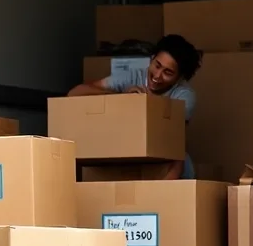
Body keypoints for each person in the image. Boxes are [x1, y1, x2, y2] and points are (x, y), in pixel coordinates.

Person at [67, 33, 201, 180]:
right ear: (152, 59)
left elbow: (177, 144)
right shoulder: (131, 77)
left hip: (165, 160)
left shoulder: (183, 95)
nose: (157, 75)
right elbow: (74, 93)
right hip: (125, 157)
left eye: (167, 73)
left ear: (179, 78)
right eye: (157, 65)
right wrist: (121, 97)